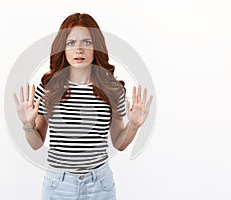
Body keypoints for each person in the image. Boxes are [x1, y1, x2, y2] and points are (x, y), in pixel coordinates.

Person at [13, 13, 153, 200]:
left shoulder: (112, 89)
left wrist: (134, 126)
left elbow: (119, 143)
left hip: (100, 185)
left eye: (87, 42)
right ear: (62, 48)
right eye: (71, 43)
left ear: (96, 48)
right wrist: (27, 125)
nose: (79, 49)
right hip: (58, 185)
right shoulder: (49, 88)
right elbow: (36, 144)